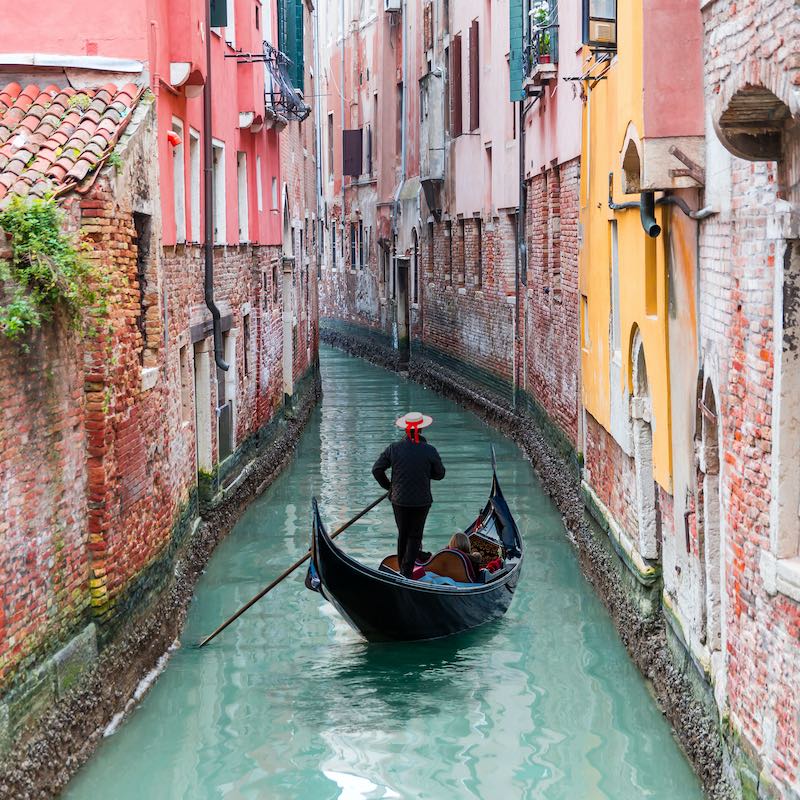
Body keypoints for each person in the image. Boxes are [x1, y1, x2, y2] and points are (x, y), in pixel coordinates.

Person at [372, 411, 446, 578]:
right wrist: (426, 473)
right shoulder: (429, 450)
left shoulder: (394, 449)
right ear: (420, 430)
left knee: (403, 534)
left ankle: (402, 568)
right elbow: (440, 474)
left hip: (399, 500)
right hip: (421, 501)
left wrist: (389, 487)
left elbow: (377, 470)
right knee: (415, 535)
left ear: (406, 430)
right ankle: (406, 572)